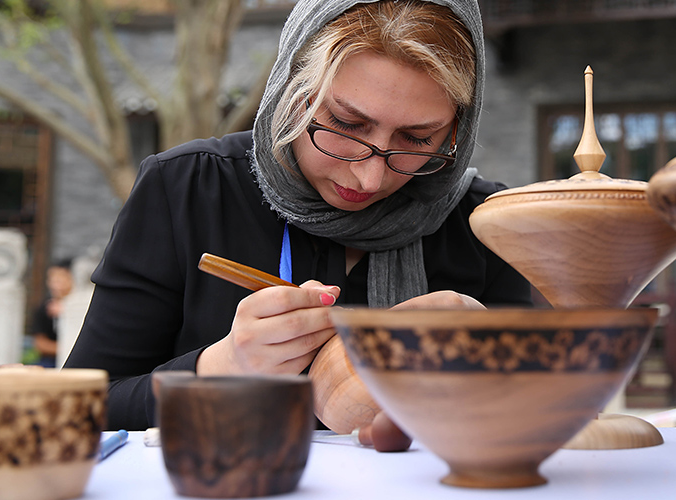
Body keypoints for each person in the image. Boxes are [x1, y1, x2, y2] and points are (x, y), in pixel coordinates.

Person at [64, 0, 531, 431]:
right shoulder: (189, 188)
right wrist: (221, 367)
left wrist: (488, 381)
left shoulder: (484, 224)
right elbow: (80, 409)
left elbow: (540, 419)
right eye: (347, 125)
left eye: (417, 139)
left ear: (457, 131)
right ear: (294, 89)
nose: (369, 178)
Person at [29, 258, 74, 368]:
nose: (54, 285)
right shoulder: (45, 308)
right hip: (51, 361)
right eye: (51, 279)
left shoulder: (85, 306)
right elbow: (40, 343)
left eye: (60, 279)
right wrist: (66, 348)